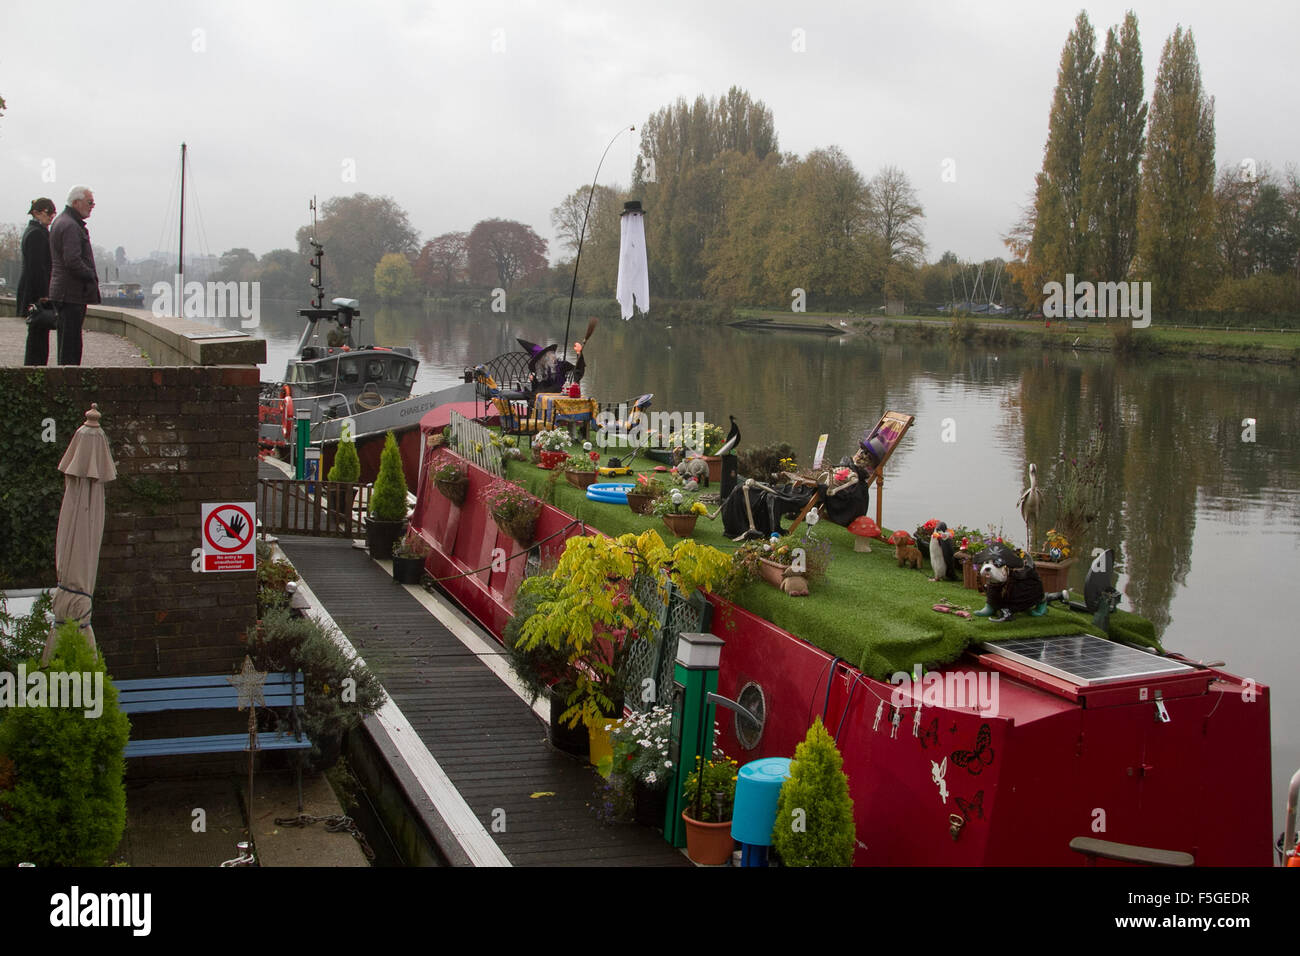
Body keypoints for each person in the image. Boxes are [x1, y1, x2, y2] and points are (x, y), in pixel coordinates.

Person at [48, 185, 100, 366]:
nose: (93, 205)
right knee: (71, 347)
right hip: (70, 294)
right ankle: (68, 386)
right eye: (90, 202)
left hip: (65, 293)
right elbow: (72, 261)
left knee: (67, 343)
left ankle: (65, 384)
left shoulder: (62, 221)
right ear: (76, 202)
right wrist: (90, 276)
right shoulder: (70, 226)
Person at [17, 198, 56, 365]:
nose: (51, 216)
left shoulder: (32, 231)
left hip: (31, 291)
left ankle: (34, 368)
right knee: (38, 335)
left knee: (37, 333)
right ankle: (35, 369)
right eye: (49, 212)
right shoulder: (37, 235)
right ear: (37, 212)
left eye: (53, 213)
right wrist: (43, 295)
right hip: (36, 294)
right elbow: (38, 268)